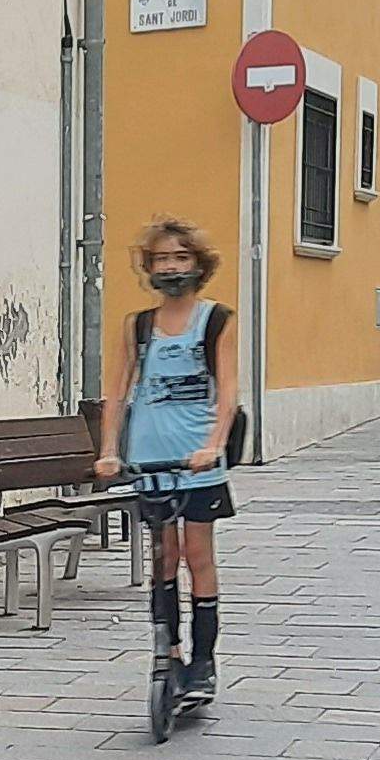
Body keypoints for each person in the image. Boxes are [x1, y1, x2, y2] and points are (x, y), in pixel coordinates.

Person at [98, 215, 241, 683]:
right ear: (149, 267)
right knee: (164, 556)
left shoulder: (216, 320)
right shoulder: (137, 327)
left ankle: (204, 660)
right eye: (162, 258)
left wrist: (214, 445)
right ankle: (169, 648)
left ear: (198, 265)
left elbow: (227, 390)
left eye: (181, 257)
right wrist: (108, 451)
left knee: (198, 555)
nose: (171, 266)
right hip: (151, 458)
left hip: (196, 459)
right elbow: (117, 393)